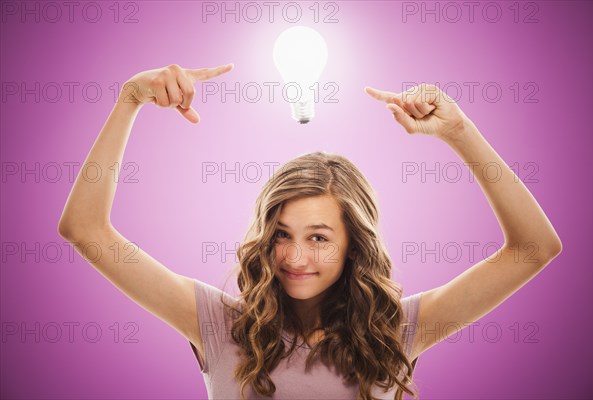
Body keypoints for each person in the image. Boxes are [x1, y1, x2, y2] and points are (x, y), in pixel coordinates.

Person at [58, 63, 563, 400]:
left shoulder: (398, 330)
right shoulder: (217, 323)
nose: (295, 256)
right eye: (281, 234)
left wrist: (458, 131)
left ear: (352, 246)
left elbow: (534, 248)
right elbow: (85, 230)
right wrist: (129, 101)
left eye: (319, 237)